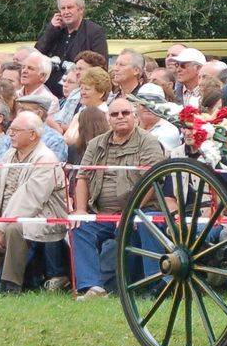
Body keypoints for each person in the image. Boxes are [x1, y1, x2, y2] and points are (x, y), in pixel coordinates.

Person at [72, 94, 168, 298]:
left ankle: (157, 284)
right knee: (80, 227)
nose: (120, 117)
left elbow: (151, 181)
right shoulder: (96, 144)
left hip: (142, 209)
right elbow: (83, 177)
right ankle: (93, 287)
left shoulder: (148, 142)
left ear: (135, 117)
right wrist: (80, 211)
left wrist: (131, 211)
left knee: (146, 224)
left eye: (125, 113)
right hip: (104, 213)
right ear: (108, 119)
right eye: (114, 114)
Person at [0, 111, 68, 295]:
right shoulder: (8, 156)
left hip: (41, 217)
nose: (10, 134)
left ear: (32, 135)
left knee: (15, 228)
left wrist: (2, 226)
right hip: (8, 217)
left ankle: (10, 285)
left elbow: (29, 200)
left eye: (16, 130)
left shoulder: (46, 159)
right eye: (11, 130)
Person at [35, 0, 109, 64]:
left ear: (81, 9)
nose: (66, 12)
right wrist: (51, 30)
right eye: (63, 8)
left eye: (70, 7)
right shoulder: (55, 31)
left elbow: (101, 67)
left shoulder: (94, 32)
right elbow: (35, 56)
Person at [64, 66, 113, 156]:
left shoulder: (109, 117)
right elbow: (65, 139)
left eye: (87, 89)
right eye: (81, 88)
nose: (82, 92)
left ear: (101, 93)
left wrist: (72, 141)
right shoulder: (78, 116)